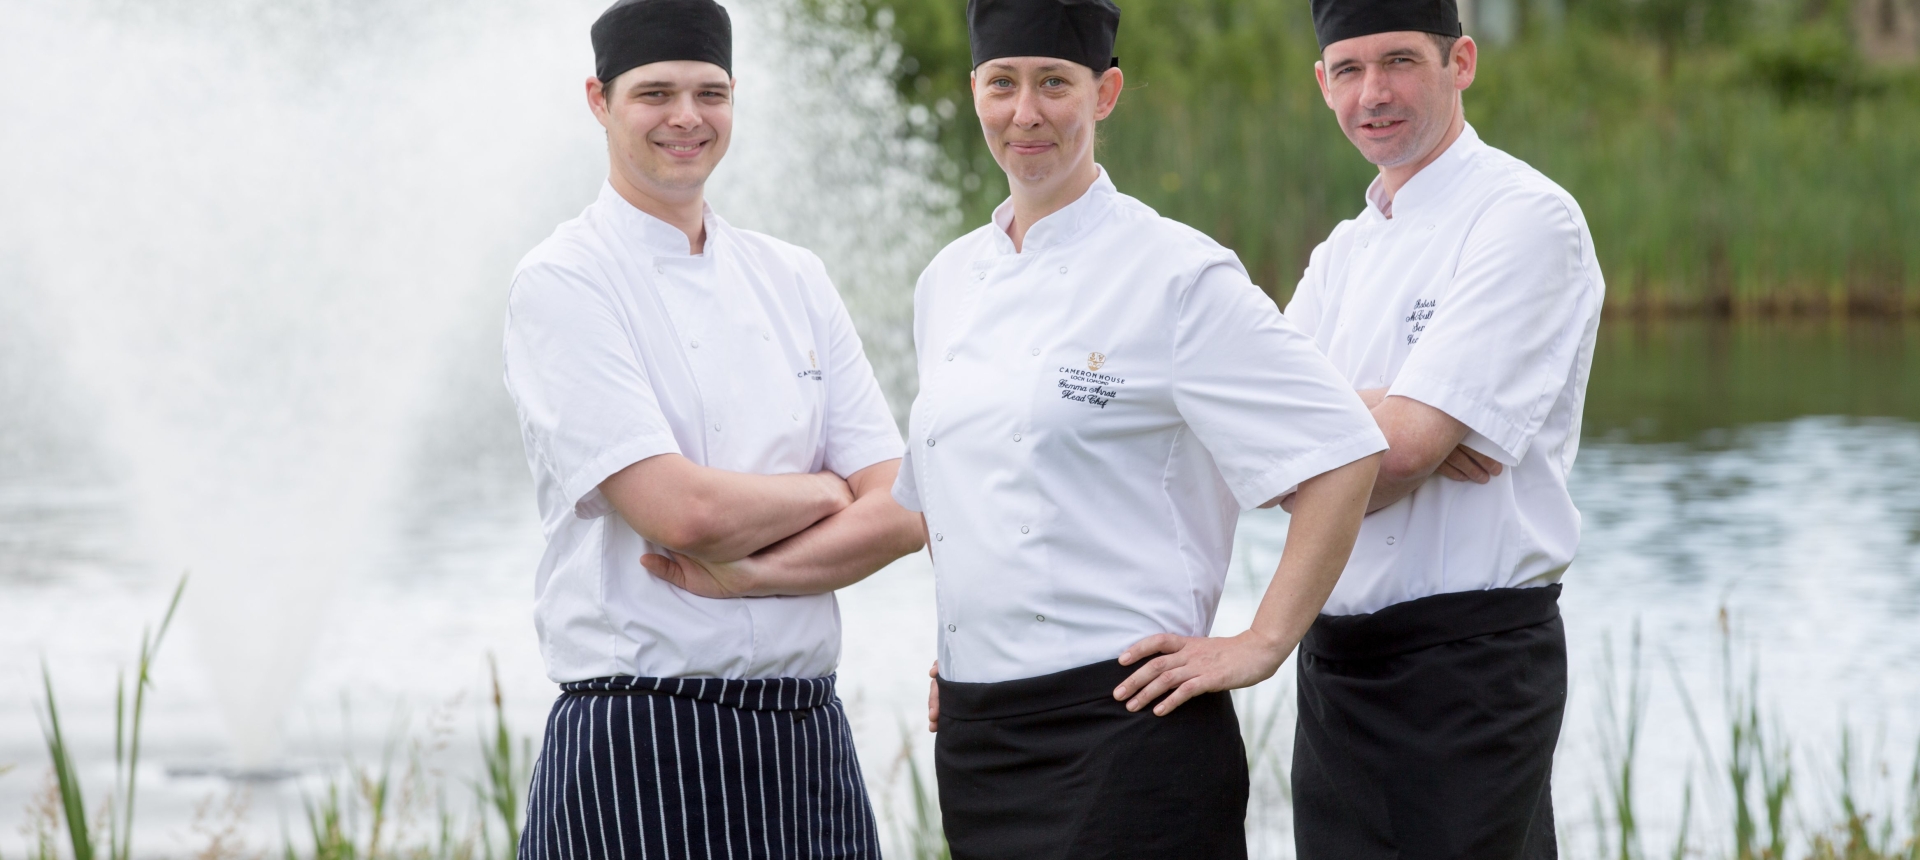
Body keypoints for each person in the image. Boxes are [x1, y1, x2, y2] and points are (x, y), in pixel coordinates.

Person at [896, 1, 1389, 856]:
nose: (1027, 112)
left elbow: (1343, 448)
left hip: (1128, 729)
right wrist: (969, 641)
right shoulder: (946, 282)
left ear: (1106, 92)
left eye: (1055, 83)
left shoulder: (1177, 273)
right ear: (973, 90)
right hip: (980, 738)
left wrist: (1261, 644)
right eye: (1002, 83)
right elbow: (952, 491)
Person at [501, 0, 924, 855]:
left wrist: (741, 578)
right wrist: (825, 488)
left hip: (806, 738)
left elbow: (908, 509)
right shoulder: (565, 281)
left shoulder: (793, 276)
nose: (686, 118)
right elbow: (680, 514)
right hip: (637, 740)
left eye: (710, 92)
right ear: (599, 99)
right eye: (655, 93)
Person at [1280, 0, 1607, 856]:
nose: (1372, 93)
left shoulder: (1526, 218)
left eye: (1399, 63)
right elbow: (1257, 454)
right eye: (1348, 70)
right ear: (1322, 84)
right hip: (1336, 668)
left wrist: (1375, 437)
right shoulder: (1342, 253)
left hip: (1472, 666)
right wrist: (1394, 404)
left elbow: (1401, 454)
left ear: (1460, 61)